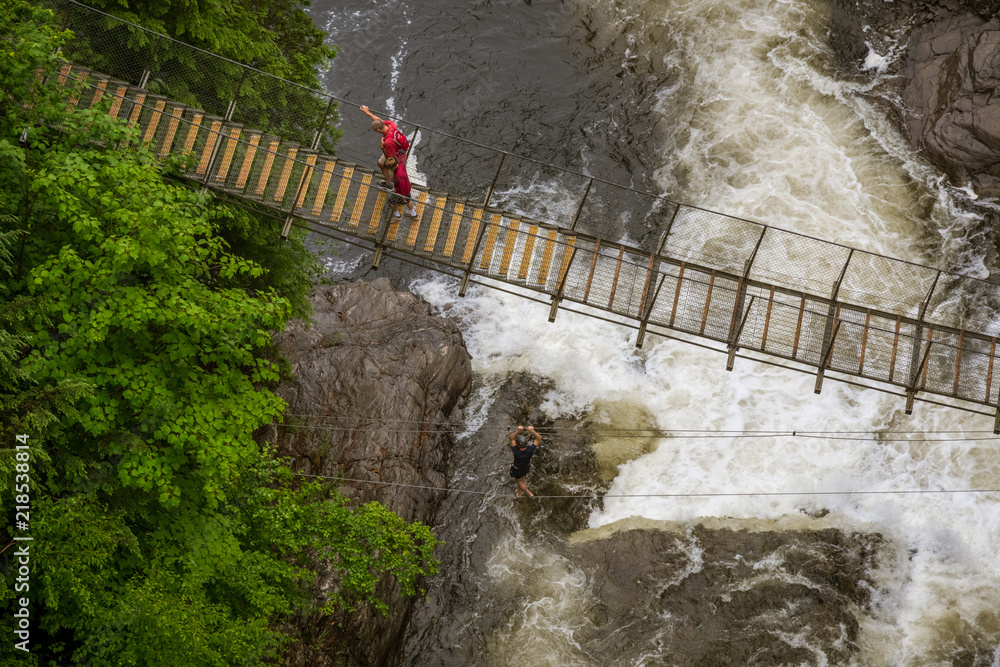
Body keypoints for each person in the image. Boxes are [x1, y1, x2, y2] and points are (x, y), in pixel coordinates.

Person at [360, 105, 410, 188]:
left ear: (378, 130)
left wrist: (382, 147)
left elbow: (391, 159)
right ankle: (388, 182)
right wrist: (367, 112)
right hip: (397, 150)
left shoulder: (387, 142)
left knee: (394, 174)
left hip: (395, 157)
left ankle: (392, 186)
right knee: (380, 163)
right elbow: (380, 121)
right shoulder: (391, 125)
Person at [508, 425, 541, 499]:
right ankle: (519, 494)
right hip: (526, 467)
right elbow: (539, 438)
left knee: (520, 482)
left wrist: (518, 431)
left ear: (518, 444)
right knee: (522, 480)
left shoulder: (516, 450)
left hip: (517, 469)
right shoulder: (530, 449)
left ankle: (530, 494)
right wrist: (532, 431)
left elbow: (511, 438)